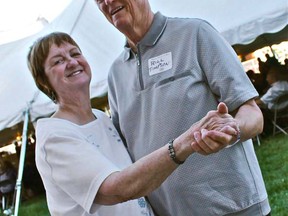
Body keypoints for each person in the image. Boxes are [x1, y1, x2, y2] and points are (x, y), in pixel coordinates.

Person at [27, 32, 239, 216]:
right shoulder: (55, 136)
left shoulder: (100, 118)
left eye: (75, 53)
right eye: (58, 61)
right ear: (43, 81)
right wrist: (185, 142)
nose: (72, 62)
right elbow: (115, 189)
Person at [95, 1, 270, 215]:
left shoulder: (195, 34)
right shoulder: (116, 74)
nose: (107, 2)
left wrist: (233, 129)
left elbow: (253, 114)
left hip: (234, 208)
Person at [256, 64, 288, 135]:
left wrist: (253, 102)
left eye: (267, 76)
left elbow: (261, 102)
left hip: (276, 110)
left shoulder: (273, 90)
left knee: (259, 109)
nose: (266, 79)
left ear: (272, 77)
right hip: (286, 107)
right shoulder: (285, 84)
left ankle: (265, 132)